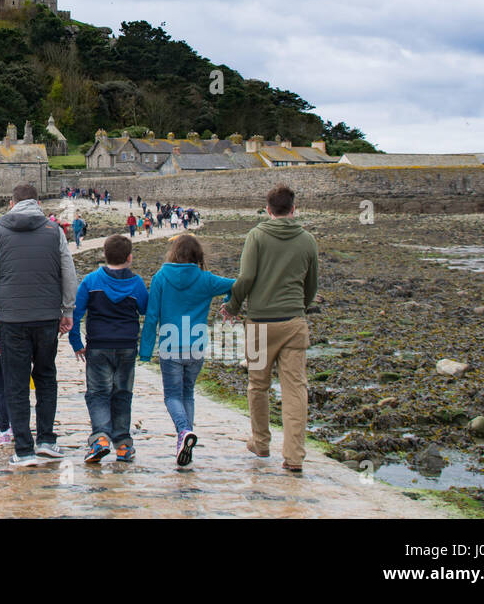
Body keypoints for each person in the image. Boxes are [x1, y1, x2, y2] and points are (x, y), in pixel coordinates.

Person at [220, 184, 319, 473]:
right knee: (295, 389)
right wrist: (300, 304)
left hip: (260, 324)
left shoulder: (257, 236)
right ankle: (294, 456)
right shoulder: (307, 240)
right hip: (293, 324)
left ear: (268, 210)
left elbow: (246, 276)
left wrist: (234, 306)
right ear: (293, 209)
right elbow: (311, 286)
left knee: (258, 385)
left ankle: (261, 442)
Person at [0, 182, 79, 467]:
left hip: (12, 317)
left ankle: (23, 449)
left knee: (16, 382)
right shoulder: (54, 231)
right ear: (38, 203)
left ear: (12, 204)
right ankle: (47, 440)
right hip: (47, 316)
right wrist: (68, 309)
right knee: (47, 376)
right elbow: (68, 272)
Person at [140, 233, 234, 467]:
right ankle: (184, 440)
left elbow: (152, 316)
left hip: (170, 346)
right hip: (196, 346)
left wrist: (145, 350)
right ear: (198, 255)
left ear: (174, 253)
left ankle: (183, 432)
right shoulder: (206, 279)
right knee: (187, 394)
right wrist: (230, 304)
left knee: (172, 395)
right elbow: (238, 284)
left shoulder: (161, 277)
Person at [70, 234, 148, 464]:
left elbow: (76, 313)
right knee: (122, 394)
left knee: (97, 394)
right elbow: (145, 308)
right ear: (130, 257)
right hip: (126, 346)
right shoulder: (136, 283)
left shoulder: (92, 281)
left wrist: (76, 343)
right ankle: (123, 444)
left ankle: (101, 438)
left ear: (104, 255)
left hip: (98, 345)